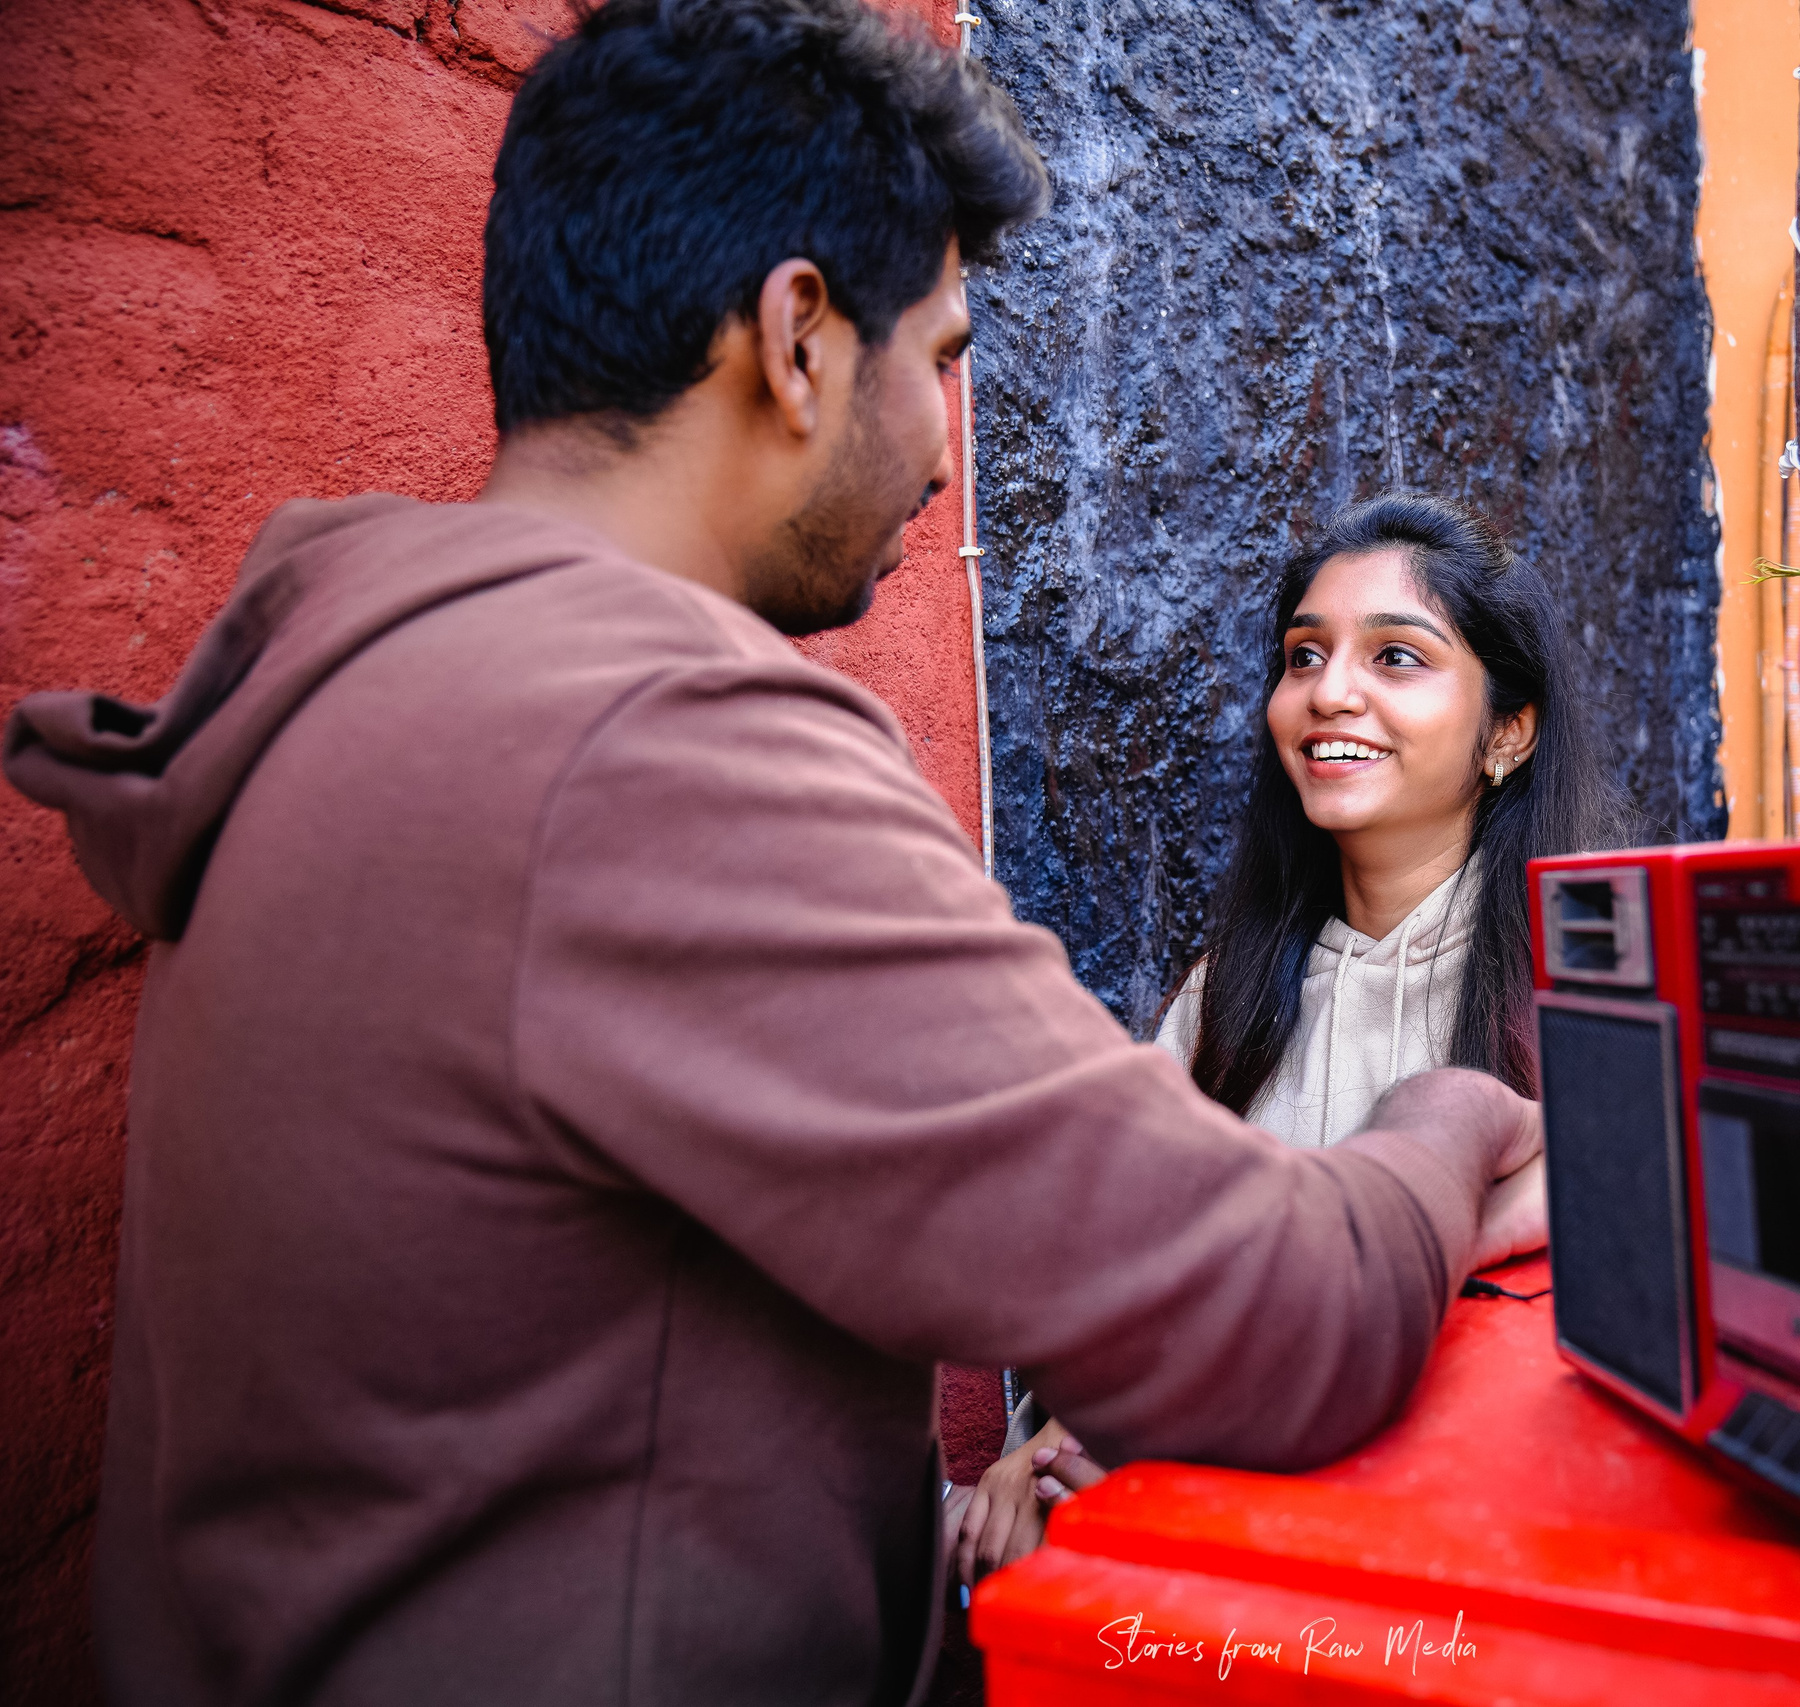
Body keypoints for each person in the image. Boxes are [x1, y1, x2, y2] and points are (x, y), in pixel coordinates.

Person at [0, 7, 1546, 1705]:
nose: (945, 446)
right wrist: (1455, 1118)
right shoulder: (653, 740)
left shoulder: (350, 689)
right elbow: (1278, 1312)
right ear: (799, 339)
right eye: (939, 356)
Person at [954, 494, 1620, 1581]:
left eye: (1396, 656)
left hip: (1470, 1574)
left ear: (1509, 730)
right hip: (1213, 1571)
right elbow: (1126, 1289)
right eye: (1304, 655)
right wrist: (1046, 1450)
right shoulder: (1225, 999)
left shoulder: (1594, 1001)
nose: (1329, 691)